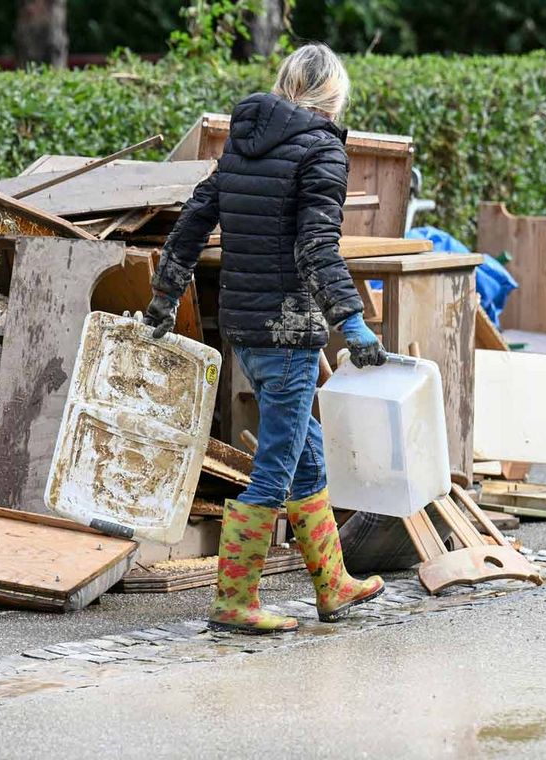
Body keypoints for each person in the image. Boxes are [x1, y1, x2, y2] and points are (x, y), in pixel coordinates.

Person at [144, 43, 387, 634]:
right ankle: (233, 600)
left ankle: (332, 584)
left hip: (246, 329)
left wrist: (161, 300)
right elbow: (316, 248)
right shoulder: (323, 149)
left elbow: (191, 224)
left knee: (305, 450)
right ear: (334, 95)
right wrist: (352, 323)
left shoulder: (243, 142)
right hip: (288, 331)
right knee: (277, 464)